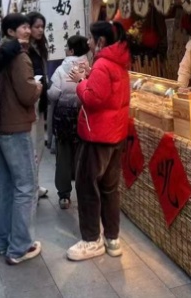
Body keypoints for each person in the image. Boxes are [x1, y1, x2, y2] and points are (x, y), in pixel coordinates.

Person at [66, 21, 131, 261]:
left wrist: (80, 82)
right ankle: (112, 238)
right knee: (110, 188)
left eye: (91, 39)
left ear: (101, 41)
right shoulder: (118, 62)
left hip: (97, 136)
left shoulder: (103, 64)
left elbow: (93, 99)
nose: (89, 42)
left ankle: (91, 240)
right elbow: (107, 95)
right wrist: (89, 76)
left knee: (87, 187)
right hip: (115, 134)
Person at [0, 13, 44, 265]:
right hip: (15, 127)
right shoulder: (20, 57)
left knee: (3, 185)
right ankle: (20, 246)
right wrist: (38, 87)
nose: (28, 31)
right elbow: (27, 94)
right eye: (23, 27)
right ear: (11, 32)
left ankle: (2, 241)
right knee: (25, 186)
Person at [48, 34, 91, 210]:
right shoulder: (89, 67)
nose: (65, 50)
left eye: (67, 47)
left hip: (63, 118)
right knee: (82, 156)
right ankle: (84, 192)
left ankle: (64, 195)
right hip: (83, 117)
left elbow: (54, 94)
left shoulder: (61, 69)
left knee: (63, 156)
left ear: (71, 50)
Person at [26, 11, 50, 200]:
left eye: (42, 27)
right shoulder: (24, 49)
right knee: (31, 145)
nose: (40, 30)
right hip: (29, 102)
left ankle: (35, 183)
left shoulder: (40, 47)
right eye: (37, 26)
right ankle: (30, 186)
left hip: (40, 100)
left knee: (39, 143)